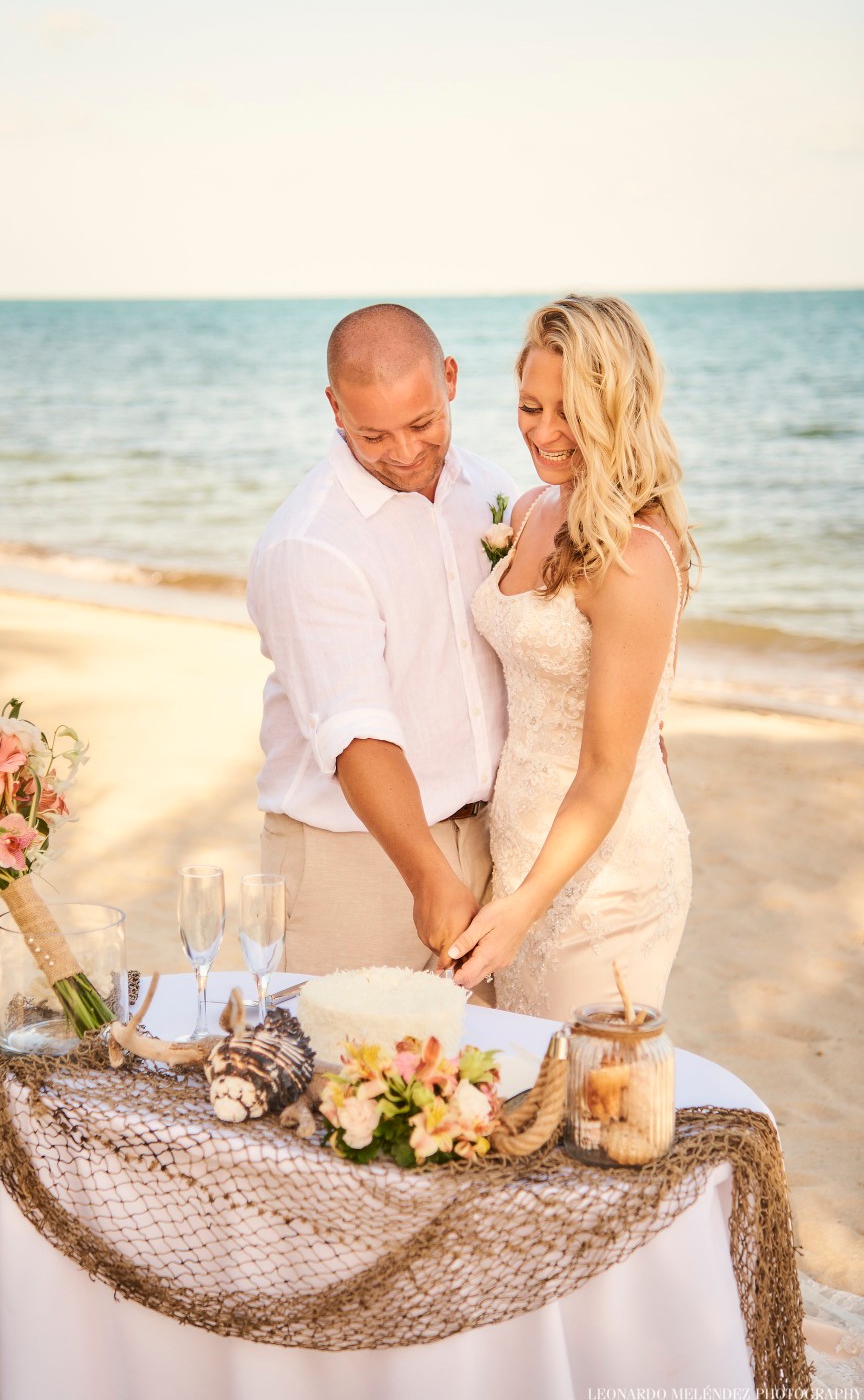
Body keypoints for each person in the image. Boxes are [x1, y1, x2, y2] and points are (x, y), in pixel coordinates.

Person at [247, 303, 516, 976]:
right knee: (337, 1075)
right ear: (336, 410)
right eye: (373, 435)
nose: (403, 452)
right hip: (356, 867)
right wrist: (426, 874)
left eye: (423, 423)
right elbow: (356, 730)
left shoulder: (491, 489)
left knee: (475, 1076)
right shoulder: (310, 543)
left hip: (491, 843)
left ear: (450, 378)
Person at [449, 295, 697, 1020]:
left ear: (618, 409)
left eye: (571, 413)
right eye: (531, 407)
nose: (546, 434)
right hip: (520, 846)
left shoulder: (636, 556)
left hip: (606, 875)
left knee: (590, 1103)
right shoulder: (528, 510)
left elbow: (608, 768)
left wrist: (522, 907)